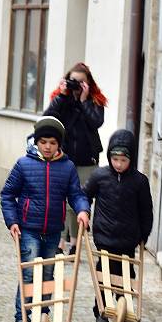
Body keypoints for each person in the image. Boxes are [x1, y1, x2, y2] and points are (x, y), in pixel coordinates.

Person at [0, 116, 90, 322]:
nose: (47, 147)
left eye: (52, 142)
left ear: (59, 144)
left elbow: (76, 194)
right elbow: (8, 194)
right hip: (28, 229)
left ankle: (43, 315)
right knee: (29, 273)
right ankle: (22, 319)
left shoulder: (67, 167)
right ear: (36, 142)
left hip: (53, 231)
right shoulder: (24, 164)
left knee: (49, 274)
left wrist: (82, 210)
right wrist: (12, 221)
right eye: (43, 142)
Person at [83, 129, 153, 322]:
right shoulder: (100, 176)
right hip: (104, 236)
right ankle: (101, 311)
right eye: (115, 159)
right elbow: (85, 195)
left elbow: (146, 210)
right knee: (103, 274)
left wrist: (144, 235)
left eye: (123, 160)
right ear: (110, 158)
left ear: (131, 158)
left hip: (128, 238)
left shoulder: (140, 181)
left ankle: (124, 305)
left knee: (125, 275)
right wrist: (84, 212)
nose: (119, 164)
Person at [43, 62, 107, 254]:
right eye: (73, 81)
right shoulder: (61, 98)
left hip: (88, 159)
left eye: (81, 82)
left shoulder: (95, 100)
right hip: (63, 157)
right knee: (60, 200)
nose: (77, 85)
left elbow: (96, 122)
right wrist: (63, 96)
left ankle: (75, 242)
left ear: (88, 83)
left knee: (79, 201)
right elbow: (49, 118)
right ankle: (61, 242)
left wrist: (84, 101)